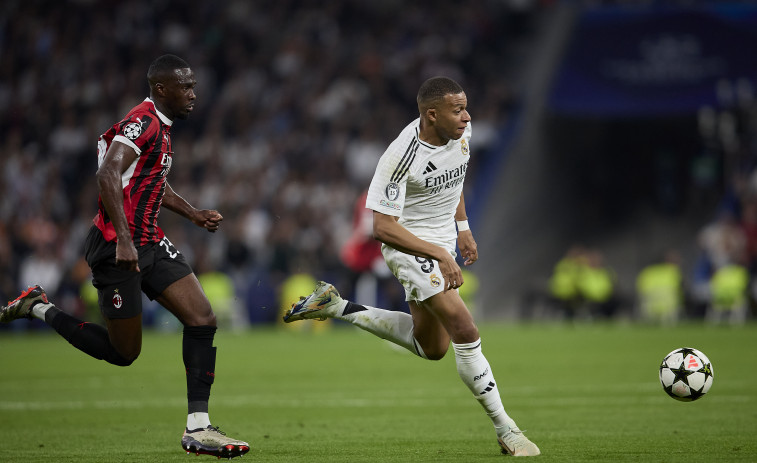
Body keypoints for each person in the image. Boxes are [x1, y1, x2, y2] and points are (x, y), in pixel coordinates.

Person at [0, 55, 249, 459]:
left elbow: (151, 182)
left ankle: (198, 428)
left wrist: (194, 214)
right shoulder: (145, 120)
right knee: (123, 353)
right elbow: (107, 173)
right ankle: (38, 307)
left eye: (194, 86)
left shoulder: (163, 129)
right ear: (161, 89)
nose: (193, 94)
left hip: (149, 241)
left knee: (203, 318)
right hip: (118, 247)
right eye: (185, 87)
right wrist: (125, 240)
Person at [284, 76, 540, 456]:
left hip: (442, 241)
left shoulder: (459, 136)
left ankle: (336, 306)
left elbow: (454, 184)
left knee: (432, 347)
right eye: (458, 110)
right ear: (431, 115)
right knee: (464, 330)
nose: (467, 117)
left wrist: (463, 228)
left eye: (467, 107)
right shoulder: (400, 157)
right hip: (407, 243)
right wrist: (439, 254)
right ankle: (508, 429)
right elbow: (382, 228)